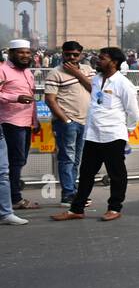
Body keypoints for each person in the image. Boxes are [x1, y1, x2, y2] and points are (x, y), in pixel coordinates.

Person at [51, 47, 139, 222]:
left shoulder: (123, 84)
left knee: (116, 173)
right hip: (93, 134)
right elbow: (94, 92)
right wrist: (77, 73)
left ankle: (114, 208)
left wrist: (127, 130)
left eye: (102, 58)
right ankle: (77, 208)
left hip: (113, 134)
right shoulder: (97, 79)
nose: (97, 61)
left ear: (114, 62)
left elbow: (133, 111)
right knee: (86, 173)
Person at [44, 40, 94, 204]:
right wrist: (65, 120)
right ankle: (68, 194)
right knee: (67, 158)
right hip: (67, 122)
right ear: (62, 54)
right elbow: (50, 100)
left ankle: (73, 192)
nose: (72, 58)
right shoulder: (55, 73)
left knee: (77, 159)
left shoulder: (87, 70)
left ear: (81, 55)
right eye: (68, 54)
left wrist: (78, 74)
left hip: (85, 121)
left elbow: (95, 90)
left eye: (75, 55)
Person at [0, 38, 40, 213]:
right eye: (21, 52)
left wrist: (35, 120)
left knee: (19, 160)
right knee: (14, 162)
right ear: (11, 53)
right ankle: (14, 198)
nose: (25, 56)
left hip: (25, 122)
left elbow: (31, 98)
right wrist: (15, 98)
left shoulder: (28, 72)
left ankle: (12, 196)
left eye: (27, 52)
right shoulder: (3, 70)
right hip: (9, 122)